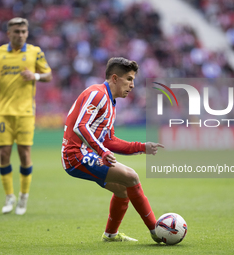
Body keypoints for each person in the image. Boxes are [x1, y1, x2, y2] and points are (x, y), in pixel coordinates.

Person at [61, 57, 164, 242]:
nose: (132, 85)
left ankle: (110, 235)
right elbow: (80, 126)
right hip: (76, 154)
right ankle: (156, 231)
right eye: (129, 79)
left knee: (123, 190)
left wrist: (142, 147)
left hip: (88, 153)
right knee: (131, 176)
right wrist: (102, 152)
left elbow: (109, 141)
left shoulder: (111, 102)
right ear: (115, 78)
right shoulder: (97, 93)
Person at [0, 17, 52, 215]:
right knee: (3, 154)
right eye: (16, 31)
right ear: (9, 34)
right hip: (3, 112)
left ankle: (24, 197)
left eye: (23, 31)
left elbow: (48, 75)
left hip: (26, 112)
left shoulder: (35, 52)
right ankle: (9, 195)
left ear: (27, 33)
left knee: (24, 154)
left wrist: (35, 76)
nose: (20, 34)